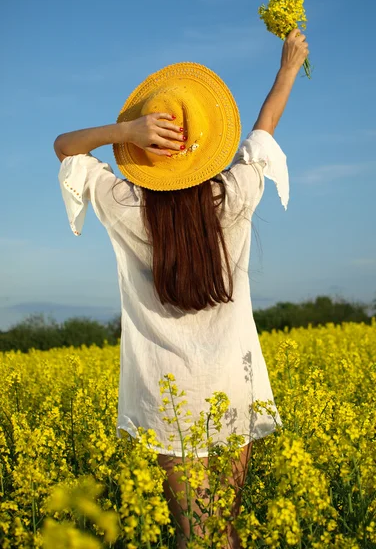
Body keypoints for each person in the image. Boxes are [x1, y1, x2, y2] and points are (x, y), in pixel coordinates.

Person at [54, 27, 309, 549]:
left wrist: (125, 130)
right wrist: (287, 68)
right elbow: (263, 133)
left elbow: (63, 148)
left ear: (144, 151)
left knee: (190, 534)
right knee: (224, 529)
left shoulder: (124, 204)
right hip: (232, 386)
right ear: (208, 146)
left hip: (165, 394)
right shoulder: (232, 196)